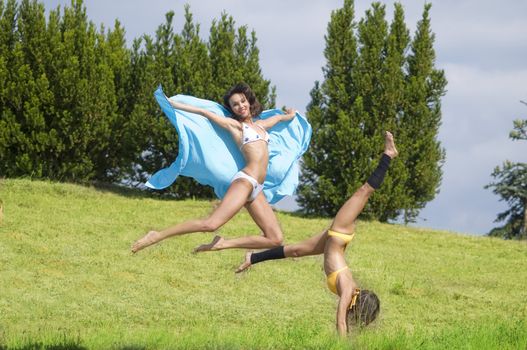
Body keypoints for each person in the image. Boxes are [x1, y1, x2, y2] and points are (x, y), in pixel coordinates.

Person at [236, 131, 398, 336]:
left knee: (293, 251)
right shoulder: (348, 292)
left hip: (331, 243)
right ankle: (389, 155)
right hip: (339, 233)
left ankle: (252, 257)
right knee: (364, 191)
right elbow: (340, 322)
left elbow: (344, 319)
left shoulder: (351, 295)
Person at [131, 83, 297, 254]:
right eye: (235, 104)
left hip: (257, 189)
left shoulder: (262, 125)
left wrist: (290, 115)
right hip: (245, 182)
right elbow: (204, 113)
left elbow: (280, 118)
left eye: (242, 101)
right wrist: (173, 104)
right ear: (232, 109)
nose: (241, 106)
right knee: (210, 224)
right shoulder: (237, 127)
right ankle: (157, 235)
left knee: (275, 239)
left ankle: (222, 244)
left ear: (249, 101)